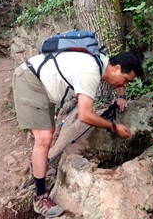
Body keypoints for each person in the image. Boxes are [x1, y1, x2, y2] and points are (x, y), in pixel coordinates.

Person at [12, 50, 143, 218]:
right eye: (125, 81)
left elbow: (119, 80)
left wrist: (121, 96)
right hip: (31, 80)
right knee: (43, 139)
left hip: (41, 81)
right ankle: (40, 197)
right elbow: (85, 115)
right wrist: (113, 127)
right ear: (117, 68)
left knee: (48, 134)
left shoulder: (102, 62)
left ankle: (42, 171)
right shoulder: (90, 71)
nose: (124, 85)